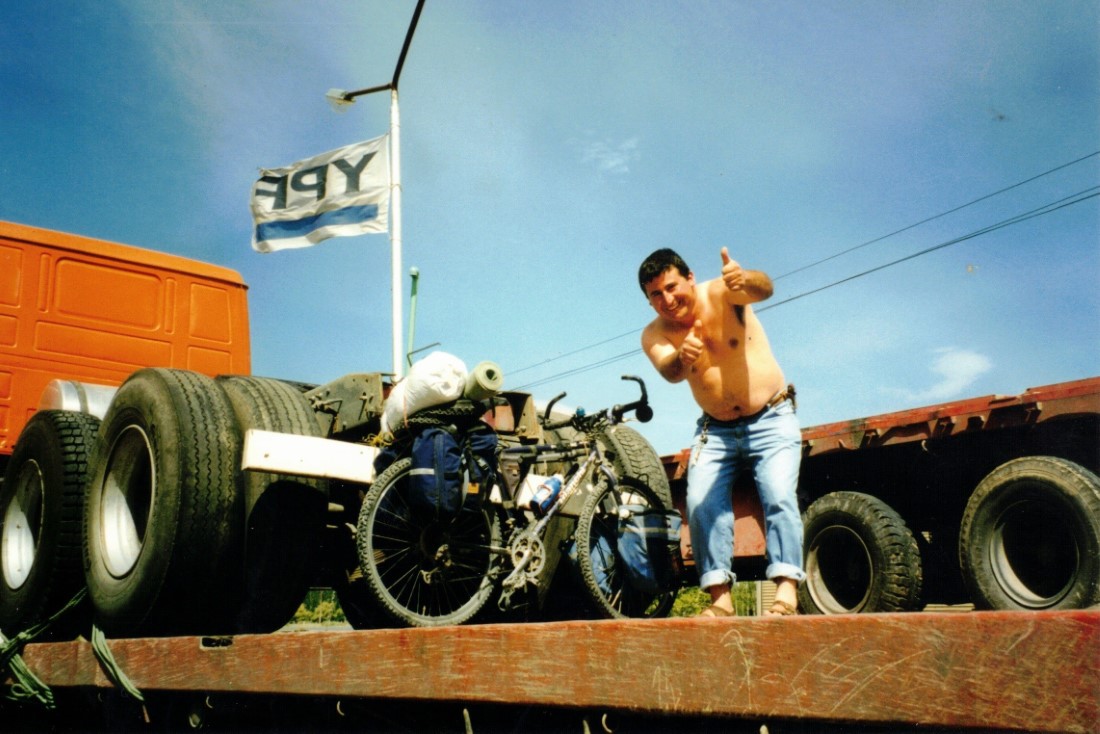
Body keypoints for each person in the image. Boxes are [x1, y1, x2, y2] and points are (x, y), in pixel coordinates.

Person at [638, 247, 804, 617]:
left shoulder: (723, 292)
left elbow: (765, 289)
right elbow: (670, 371)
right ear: (649, 302)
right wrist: (684, 357)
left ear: (690, 277)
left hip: (771, 416)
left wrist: (746, 279)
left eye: (671, 286)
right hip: (716, 430)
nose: (667, 299)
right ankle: (720, 601)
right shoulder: (654, 334)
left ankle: (787, 594)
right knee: (700, 503)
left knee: (778, 493)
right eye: (656, 295)